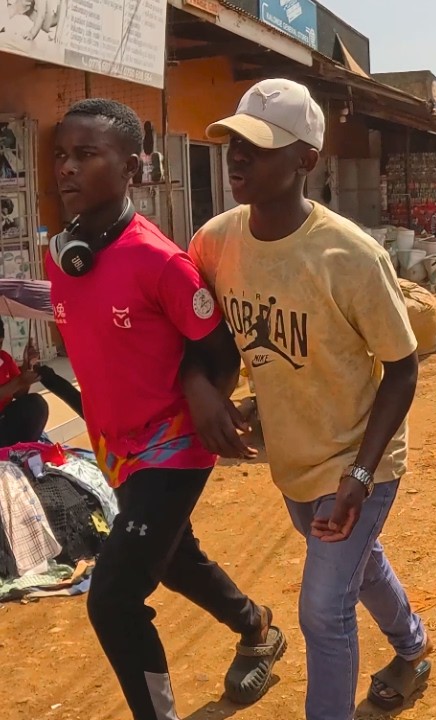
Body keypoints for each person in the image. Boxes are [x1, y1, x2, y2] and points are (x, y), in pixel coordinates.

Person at [186, 79, 429, 720]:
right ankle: (413, 646)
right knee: (359, 564)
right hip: (291, 458)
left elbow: (403, 370)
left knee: (323, 608)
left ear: (305, 160)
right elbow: (193, 332)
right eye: (233, 141)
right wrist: (204, 392)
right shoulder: (214, 243)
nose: (238, 157)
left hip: (360, 462)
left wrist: (358, 473)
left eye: (259, 146)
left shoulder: (350, 255)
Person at [46, 99, 283, 720]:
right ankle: (256, 625)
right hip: (114, 446)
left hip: (174, 443)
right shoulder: (62, 254)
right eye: (62, 155)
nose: (66, 169)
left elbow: (218, 353)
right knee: (175, 559)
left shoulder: (160, 261)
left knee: (115, 599)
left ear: (132, 169)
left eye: (86, 154)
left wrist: (203, 388)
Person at [0, 323, 48, 446]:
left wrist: (27, 365)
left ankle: (26, 451)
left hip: (4, 418)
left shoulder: (4, 358)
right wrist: (19, 381)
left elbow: (20, 393)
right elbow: (17, 383)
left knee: (36, 404)